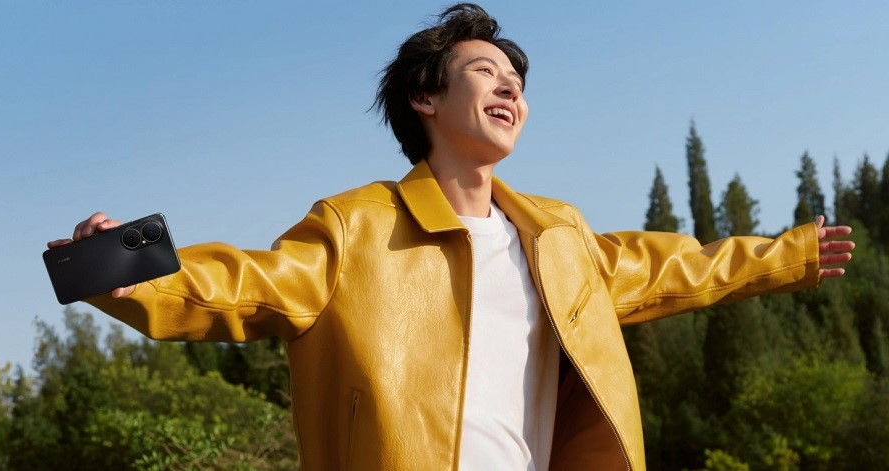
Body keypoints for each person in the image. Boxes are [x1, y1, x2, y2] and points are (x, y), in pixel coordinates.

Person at [47, 4, 854, 470]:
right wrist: (124, 268)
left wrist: (788, 255)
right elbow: (245, 283)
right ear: (424, 100)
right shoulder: (357, 225)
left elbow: (676, 267)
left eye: (518, 82)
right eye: (485, 71)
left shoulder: (558, 235)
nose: (511, 88)